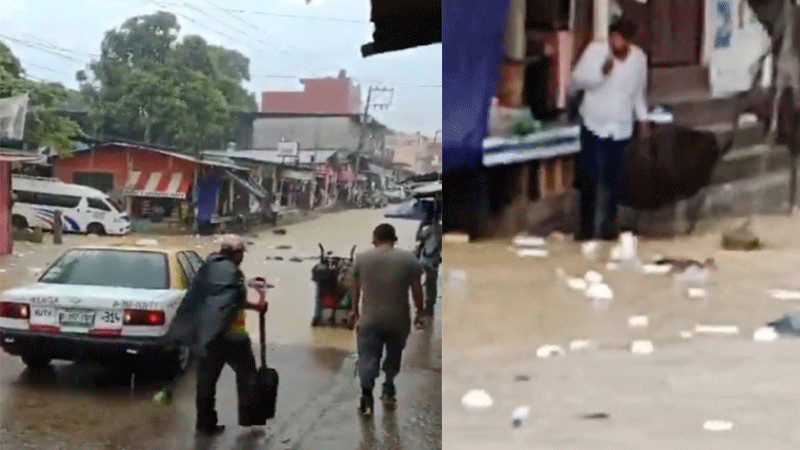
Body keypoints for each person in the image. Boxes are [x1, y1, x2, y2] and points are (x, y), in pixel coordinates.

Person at [168, 235, 268, 435]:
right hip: (234, 337)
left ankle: (205, 424)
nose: (242, 258)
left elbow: (205, 296)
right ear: (236, 253)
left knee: (206, 382)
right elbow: (235, 300)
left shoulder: (207, 269)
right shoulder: (234, 272)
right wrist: (258, 305)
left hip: (209, 337)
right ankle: (249, 417)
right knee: (247, 376)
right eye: (241, 254)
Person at [568, 17, 649, 241]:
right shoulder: (596, 52)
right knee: (590, 178)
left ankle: (607, 229)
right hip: (594, 122)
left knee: (614, 180)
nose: (617, 43)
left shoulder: (639, 59)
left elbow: (638, 94)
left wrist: (643, 120)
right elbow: (576, 81)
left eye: (622, 39)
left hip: (621, 126)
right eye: (614, 37)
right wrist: (600, 74)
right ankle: (586, 230)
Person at [348, 224, 425, 416]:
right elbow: (417, 290)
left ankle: (366, 397)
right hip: (398, 321)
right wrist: (420, 312)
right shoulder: (408, 259)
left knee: (367, 358)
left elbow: (355, 289)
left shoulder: (362, 259)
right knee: (394, 355)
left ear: (375, 238)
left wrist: (354, 311)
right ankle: (389, 386)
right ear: (394, 239)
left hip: (370, 320)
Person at [415, 203, 442, 316]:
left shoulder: (430, 229)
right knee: (431, 283)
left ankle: (423, 305)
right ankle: (429, 304)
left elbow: (417, 237)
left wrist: (421, 225)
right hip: (434, 259)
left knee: (417, 280)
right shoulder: (439, 229)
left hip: (426, 259)